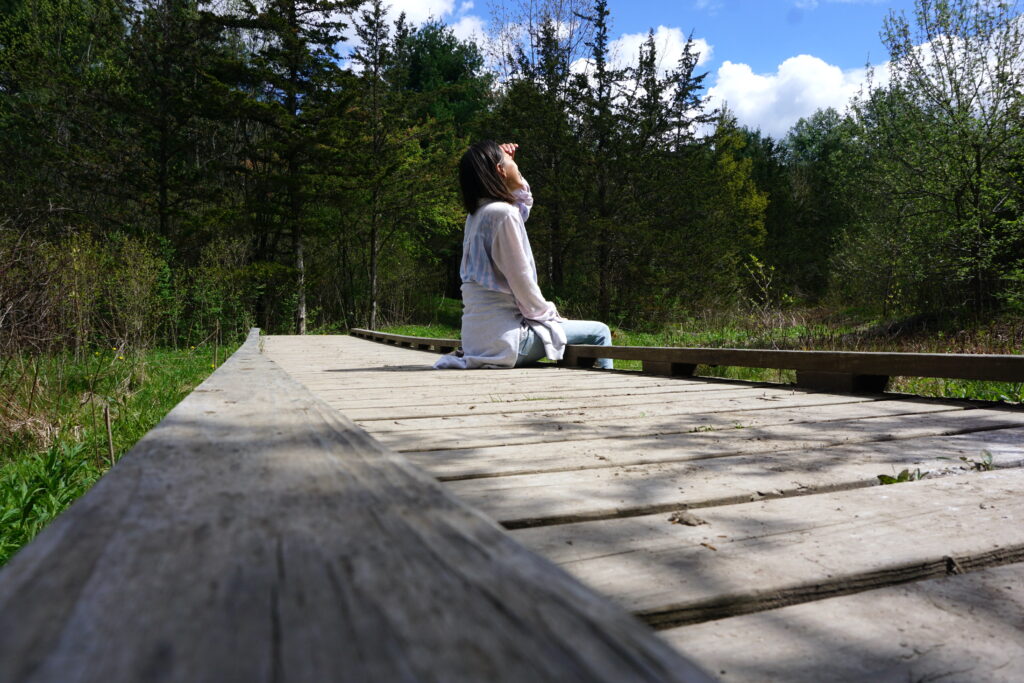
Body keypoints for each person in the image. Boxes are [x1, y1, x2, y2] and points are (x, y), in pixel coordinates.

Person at [434, 140, 613, 370]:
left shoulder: (477, 216)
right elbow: (522, 282)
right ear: (500, 170)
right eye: (510, 162)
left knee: (569, 329)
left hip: (477, 341)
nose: (516, 166)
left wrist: (507, 166)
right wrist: (551, 315)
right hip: (506, 342)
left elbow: (521, 207)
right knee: (600, 331)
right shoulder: (502, 214)